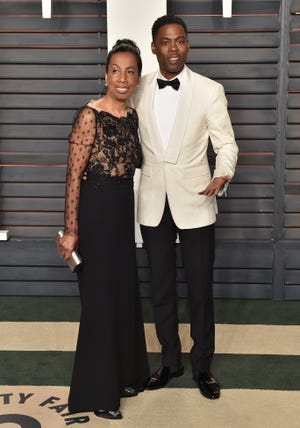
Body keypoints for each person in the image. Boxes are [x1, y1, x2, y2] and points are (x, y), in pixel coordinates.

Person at [132, 15, 238, 399]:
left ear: (187, 44)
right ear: (153, 46)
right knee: (160, 289)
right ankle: (170, 362)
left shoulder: (210, 90)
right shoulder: (137, 89)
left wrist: (222, 174)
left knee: (200, 290)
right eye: (165, 41)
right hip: (152, 205)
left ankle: (202, 367)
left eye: (179, 41)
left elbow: (226, 144)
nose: (173, 48)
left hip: (197, 201)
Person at [57, 39, 149, 420]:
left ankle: (127, 375)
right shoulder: (89, 115)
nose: (122, 78)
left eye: (130, 71)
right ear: (105, 74)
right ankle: (98, 394)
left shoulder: (132, 118)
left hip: (121, 213)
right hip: (94, 216)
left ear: (138, 78)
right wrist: (71, 231)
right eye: (116, 70)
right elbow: (73, 177)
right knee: (99, 303)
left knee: (123, 294)